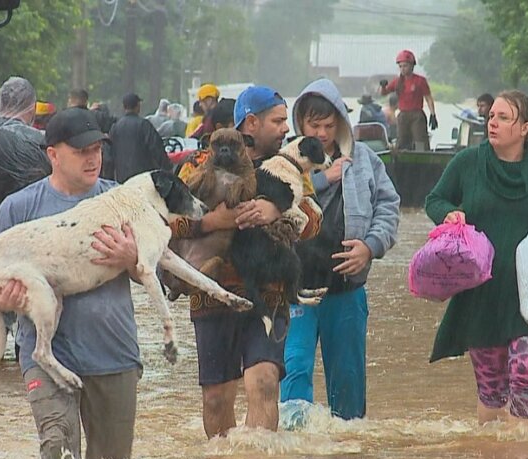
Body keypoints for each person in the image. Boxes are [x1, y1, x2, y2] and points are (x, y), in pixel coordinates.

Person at [0, 107, 142, 459]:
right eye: (81, 151)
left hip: (114, 355)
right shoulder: (19, 209)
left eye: (98, 149)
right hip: (47, 358)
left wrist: (132, 257)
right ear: (52, 155)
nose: (93, 159)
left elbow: (155, 273)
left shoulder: (122, 201)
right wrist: (3, 300)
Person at [168, 85, 322, 439]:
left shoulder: (289, 166)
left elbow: (315, 221)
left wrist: (277, 206)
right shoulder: (196, 166)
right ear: (251, 122)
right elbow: (164, 224)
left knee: (265, 380)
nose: (287, 128)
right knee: (216, 400)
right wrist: (210, 222)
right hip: (211, 292)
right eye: (278, 120)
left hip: (269, 290)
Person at [423, 90, 528, 426]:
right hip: (481, 293)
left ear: (524, 128)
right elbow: (434, 200)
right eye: (491, 116)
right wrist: (449, 214)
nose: (492, 122)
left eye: (503, 117)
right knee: (492, 391)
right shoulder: (467, 163)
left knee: (526, 371)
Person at [280, 78, 400, 420]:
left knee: (347, 379)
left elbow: (388, 206)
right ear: (300, 123)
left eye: (329, 125)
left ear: (341, 123)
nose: (321, 132)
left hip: (348, 286)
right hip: (296, 287)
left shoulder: (364, 159)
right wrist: (322, 179)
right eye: (313, 125)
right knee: (295, 368)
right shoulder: (285, 160)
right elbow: (273, 203)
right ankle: (294, 445)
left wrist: (370, 246)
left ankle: (348, 455)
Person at [0, 76, 53, 361]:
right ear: (30, 108)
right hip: (28, 232)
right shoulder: (38, 142)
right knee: (26, 293)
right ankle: (24, 355)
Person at [378, 49, 437, 151]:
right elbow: (384, 93)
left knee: (420, 140)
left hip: (417, 115)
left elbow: (428, 97)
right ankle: (401, 160)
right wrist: (383, 86)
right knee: (401, 141)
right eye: (400, 66)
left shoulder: (420, 81)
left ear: (412, 66)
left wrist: (433, 114)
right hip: (403, 115)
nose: (402, 69)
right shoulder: (397, 82)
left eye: (405, 66)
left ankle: (421, 158)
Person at [107, 92, 172, 183]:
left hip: (122, 178)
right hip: (142, 178)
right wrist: (167, 168)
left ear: (124, 107)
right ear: (138, 106)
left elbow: (110, 152)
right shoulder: (144, 125)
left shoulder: (115, 127)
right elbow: (157, 148)